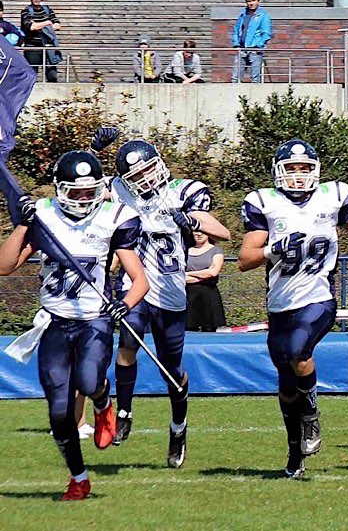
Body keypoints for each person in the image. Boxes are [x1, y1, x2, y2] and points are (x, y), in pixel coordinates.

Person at [0, 150, 149, 500]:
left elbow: (140, 280)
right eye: (75, 191)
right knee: (59, 413)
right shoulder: (44, 217)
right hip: (54, 322)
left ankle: (102, 401)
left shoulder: (113, 218)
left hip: (94, 320)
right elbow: (5, 266)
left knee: (89, 380)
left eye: (89, 191)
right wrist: (23, 223)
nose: (84, 199)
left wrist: (123, 304)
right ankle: (78, 477)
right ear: (59, 189)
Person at [238, 139, 348, 479]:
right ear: (278, 172)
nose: (298, 175)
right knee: (287, 386)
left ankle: (312, 415)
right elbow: (244, 260)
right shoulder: (265, 204)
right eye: (291, 168)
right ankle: (293, 450)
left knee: (301, 352)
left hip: (317, 298)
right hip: (280, 305)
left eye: (304, 168)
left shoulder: (333, 198)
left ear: (315, 171)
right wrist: (274, 248)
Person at [108, 137, 232, 468]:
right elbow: (86, 191)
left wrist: (192, 221)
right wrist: (93, 152)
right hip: (136, 286)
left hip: (172, 293)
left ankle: (178, 429)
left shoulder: (182, 191)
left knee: (172, 370)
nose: (146, 179)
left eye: (149, 170)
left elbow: (223, 232)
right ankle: (123, 411)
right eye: (138, 176)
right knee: (127, 347)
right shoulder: (120, 191)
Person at [184, 227, 225, 331]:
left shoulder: (216, 250)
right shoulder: (185, 250)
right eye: (196, 231)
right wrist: (204, 275)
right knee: (188, 331)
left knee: (210, 331)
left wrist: (189, 274)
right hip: (188, 296)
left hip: (209, 296)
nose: (199, 234)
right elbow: (180, 277)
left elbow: (213, 272)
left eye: (202, 232)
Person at [20, 0, 62, 82]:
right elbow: (31, 27)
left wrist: (39, 25)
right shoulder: (26, 11)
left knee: (52, 75)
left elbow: (58, 25)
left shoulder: (47, 10)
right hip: (32, 47)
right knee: (31, 75)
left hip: (48, 47)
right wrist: (47, 23)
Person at [230, 0, 272, 84]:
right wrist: (236, 44)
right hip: (242, 49)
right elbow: (236, 30)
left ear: (258, 1)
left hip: (255, 51)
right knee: (235, 78)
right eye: (249, 1)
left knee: (255, 79)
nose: (251, 3)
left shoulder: (263, 16)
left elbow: (266, 33)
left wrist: (258, 46)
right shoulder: (242, 15)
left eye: (253, 0)